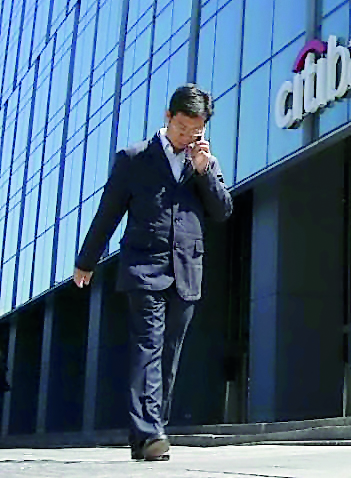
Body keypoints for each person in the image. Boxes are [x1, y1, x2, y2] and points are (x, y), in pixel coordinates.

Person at [73, 84, 233, 461]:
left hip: (186, 273)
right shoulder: (134, 158)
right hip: (144, 268)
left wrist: (204, 172)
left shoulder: (205, 162)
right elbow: (108, 212)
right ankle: (149, 434)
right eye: (180, 128)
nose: (185, 138)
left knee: (168, 355)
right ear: (168, 117)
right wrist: (86, 260)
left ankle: (147, 433)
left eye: (194, 132)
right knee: (148, 346)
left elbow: (223, 210)